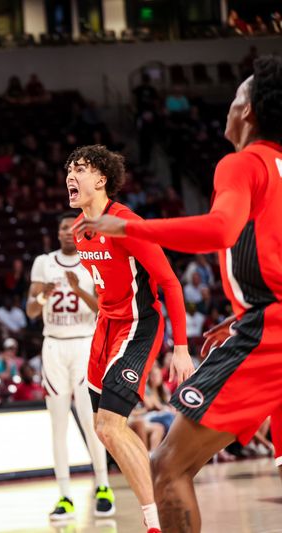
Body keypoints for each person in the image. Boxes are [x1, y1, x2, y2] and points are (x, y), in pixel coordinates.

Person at [75, 56, 282, 533]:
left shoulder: (243, 162)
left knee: (167, 467)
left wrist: (129, 227)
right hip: (258, 319)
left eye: (233, 100)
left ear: (247, 112)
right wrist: (235, 320)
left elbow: (220, 229)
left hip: (267, 334)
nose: (228, 110)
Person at [65, 144, 193, 533]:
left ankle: (154, 522)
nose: (71, 176)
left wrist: (182, 347)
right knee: (106, 429)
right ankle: (158, 494)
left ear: (102, 180)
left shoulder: (125, 223)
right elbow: (107, 288)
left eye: (81, 169)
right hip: (105, 327)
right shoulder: (78, 231)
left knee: (108, 425)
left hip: (138, 325)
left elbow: (169, 281)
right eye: (68, 169)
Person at [26, 211, 113, 521]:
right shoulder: (43, 262)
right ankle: (64, 496)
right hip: (53, 346)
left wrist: (77, 289)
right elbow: (31, 310)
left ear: (81, 231)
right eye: (63, 227)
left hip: (85, 344)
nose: (66, 232)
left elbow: (103, 308)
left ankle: (103, 487)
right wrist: (44, 297)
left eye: (72, 227)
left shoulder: (92, 261)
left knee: (91, 423)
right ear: (58, 232)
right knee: (58, 425)